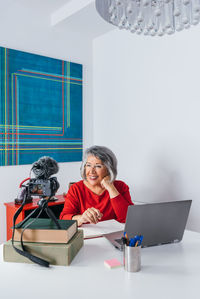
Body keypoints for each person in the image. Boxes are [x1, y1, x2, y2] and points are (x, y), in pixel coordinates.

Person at [60, 145, 133, 226]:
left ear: (109, 169)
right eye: (88, 165)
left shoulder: (120, 187)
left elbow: (128, 218)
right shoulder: (76, 188)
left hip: (113, 236)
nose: (91, 171)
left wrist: (111, 188)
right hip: (87, 237)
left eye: (98, 166)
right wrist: (81, 218)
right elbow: (64, 218)